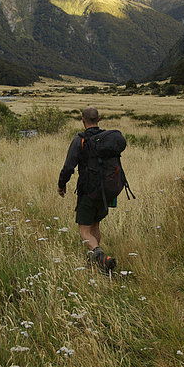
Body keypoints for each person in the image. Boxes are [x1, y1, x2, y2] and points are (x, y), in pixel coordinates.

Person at [57, 107, 116, 272]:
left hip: (88, 191)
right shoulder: (107, 139)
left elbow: (69, 167)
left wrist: (62, 184)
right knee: (95, 226)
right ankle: (97, 263)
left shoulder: (80, 140)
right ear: (99, 119)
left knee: (84, 231)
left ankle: (101, 256)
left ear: (83, 120)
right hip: (106, 191)